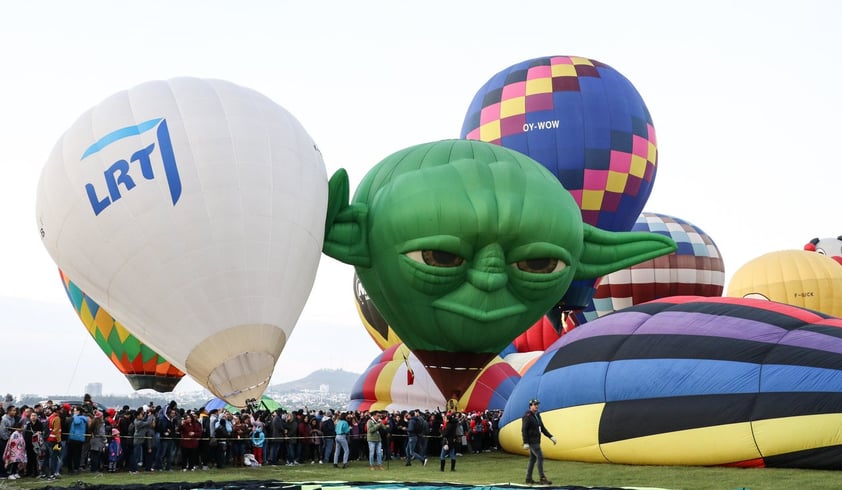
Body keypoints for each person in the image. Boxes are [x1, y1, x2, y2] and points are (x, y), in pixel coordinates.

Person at [521, 399, 556, 485]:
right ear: (530, 406)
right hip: (532, 441)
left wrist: (550, 436)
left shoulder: (537, 415)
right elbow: (524, 429)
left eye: (537, 404)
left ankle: (528, 478)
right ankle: (542, 478)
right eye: (535, 404)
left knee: (532, 459)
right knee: (540, 457)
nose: (537, 406)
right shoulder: (527, 416)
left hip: (537, 440)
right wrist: (525, 442)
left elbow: (542, 428)